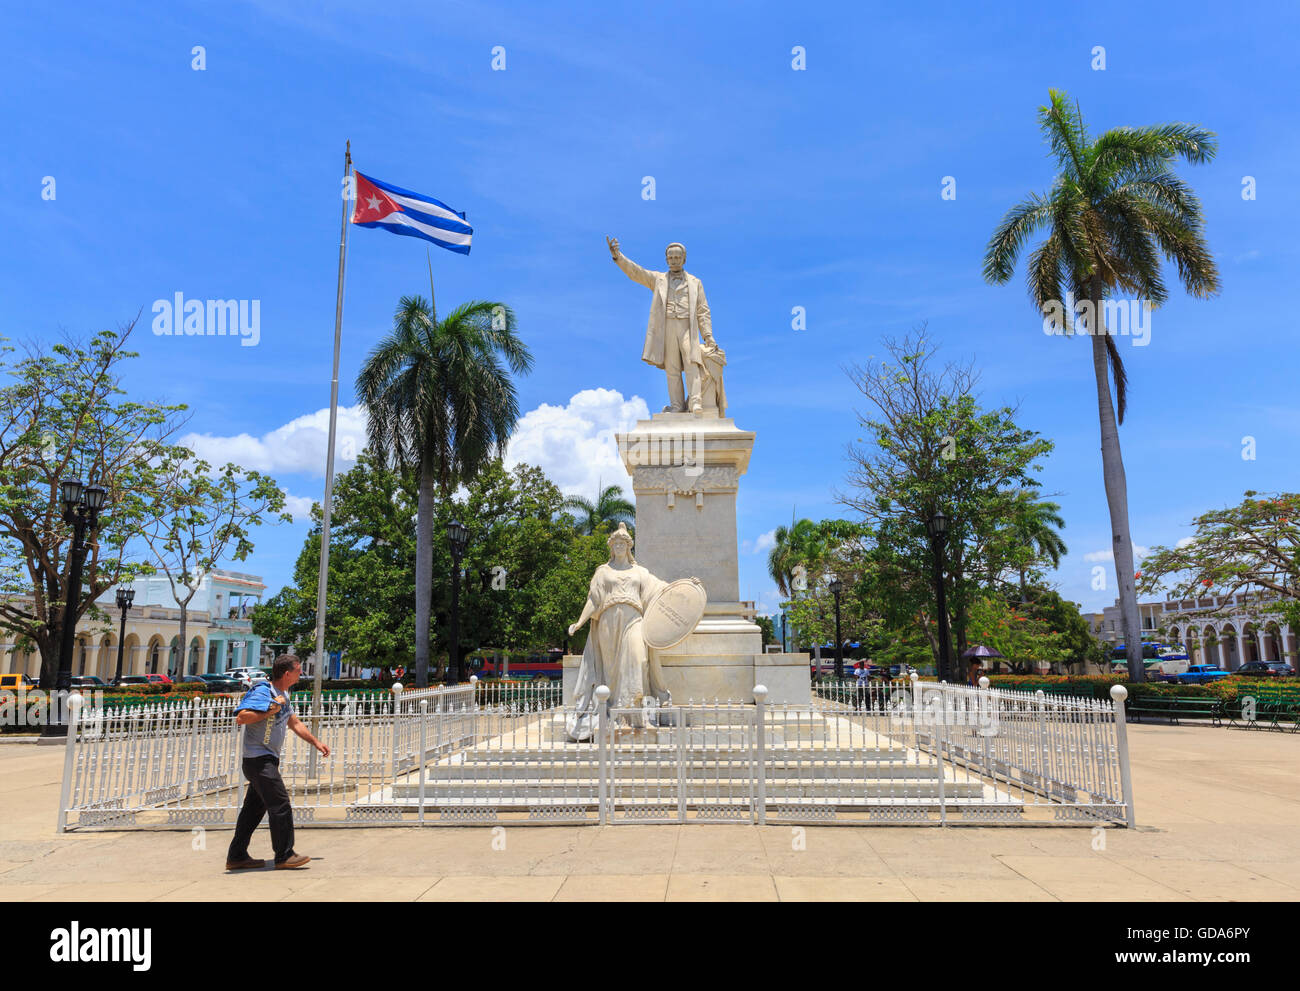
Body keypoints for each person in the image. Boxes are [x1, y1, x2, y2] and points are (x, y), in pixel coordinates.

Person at [225, 653, 329, 872]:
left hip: (265, 759)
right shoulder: (264, 691)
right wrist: (271, 708)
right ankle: (284, 855)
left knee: (253, 811)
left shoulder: (283, 694)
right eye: (299, 670)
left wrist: (315, 742)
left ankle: (237, 856)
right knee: (280, 804)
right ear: (287, 673)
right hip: (258, 760)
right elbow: (242, 717)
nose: (302, 673)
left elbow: (294, 722)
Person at [607, 236, 723, 416]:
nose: (674, 261)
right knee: (672, 368)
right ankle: (677, 405)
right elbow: (636, 273)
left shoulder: (695, 282)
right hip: (667, 325)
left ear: (684, 259)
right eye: (671, 258)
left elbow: (703, 311)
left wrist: (708, 336)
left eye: (677, 257)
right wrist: (618, 257)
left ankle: (695, 402)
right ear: (666, 259)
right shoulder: (659, 279)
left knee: (692, 362)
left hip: (687, 326)